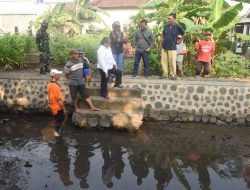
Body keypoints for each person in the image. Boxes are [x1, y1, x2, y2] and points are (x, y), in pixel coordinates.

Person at [159, 13, 185, 80]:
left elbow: (184, 34)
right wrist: (160, 45)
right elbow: (162, 36)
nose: (168, 20)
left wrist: (179, 41)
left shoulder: (177, 26)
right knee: (163, 61)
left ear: (174, 19)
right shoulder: (166, 26)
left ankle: (173, 75)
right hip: (164, 46)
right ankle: (165, 74)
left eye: (170, 19)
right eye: (168, 19)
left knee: (172, 61)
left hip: (172, 47)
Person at [47, 69, 66, 137]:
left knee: (58, 119)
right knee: (60, 118)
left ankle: (57, 131)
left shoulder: (50, 84)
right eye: (58, 74)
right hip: (57, 107)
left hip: (53, 107)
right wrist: (63, 108)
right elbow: (59, 99)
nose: (59, 75)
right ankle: (56, 132)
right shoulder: (55, 86)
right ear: (54, 76)